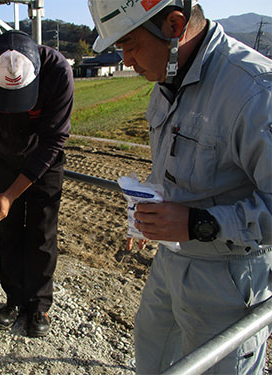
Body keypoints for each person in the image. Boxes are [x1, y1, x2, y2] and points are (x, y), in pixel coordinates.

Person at [88, 0, 272, 373]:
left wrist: (198, 223)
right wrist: (152, 214)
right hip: (170, 261)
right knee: (153, 356)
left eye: (130, 45)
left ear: (174, 25)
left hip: (229, 276)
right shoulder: (167, 80)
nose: (126, 61)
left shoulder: (254, 93)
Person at [0, 30, 74, 337]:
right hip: (0, 156)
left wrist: (10, 195)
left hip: (44, 161)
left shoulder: (58, 71)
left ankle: (38, 305)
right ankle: (13, 299)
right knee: (7, 233)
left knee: (41, 231)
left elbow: (55, 139)